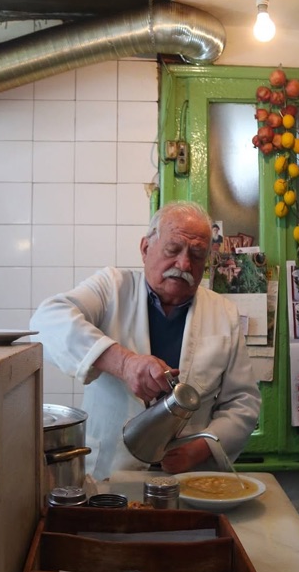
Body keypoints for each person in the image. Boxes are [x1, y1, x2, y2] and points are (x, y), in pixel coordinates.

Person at [31, 201, 261, 480]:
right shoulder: (111, 288)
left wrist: (202, 448)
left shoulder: (224, 314)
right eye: (173, 249)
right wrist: (125, 363)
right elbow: (46, 320)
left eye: (197, 255)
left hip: (188, 476)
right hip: (109, 472)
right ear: (145, 248)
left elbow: (243, 402)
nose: (184, 264)